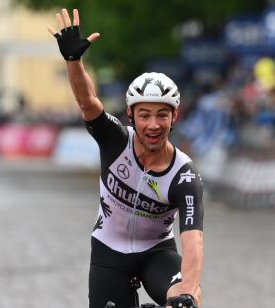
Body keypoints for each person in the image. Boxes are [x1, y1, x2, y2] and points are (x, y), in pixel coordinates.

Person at [48, 9, 204, 308]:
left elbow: (194, 241)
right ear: (131, 115)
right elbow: (87, 101)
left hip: (157, 253)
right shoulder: (115, 139)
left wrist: (188, 292)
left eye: (162, 115)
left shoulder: (184, 174)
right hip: (109, 252)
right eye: (144, 115)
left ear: (175, 117)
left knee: (188, 299)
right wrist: (73, 62)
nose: (153, 124)